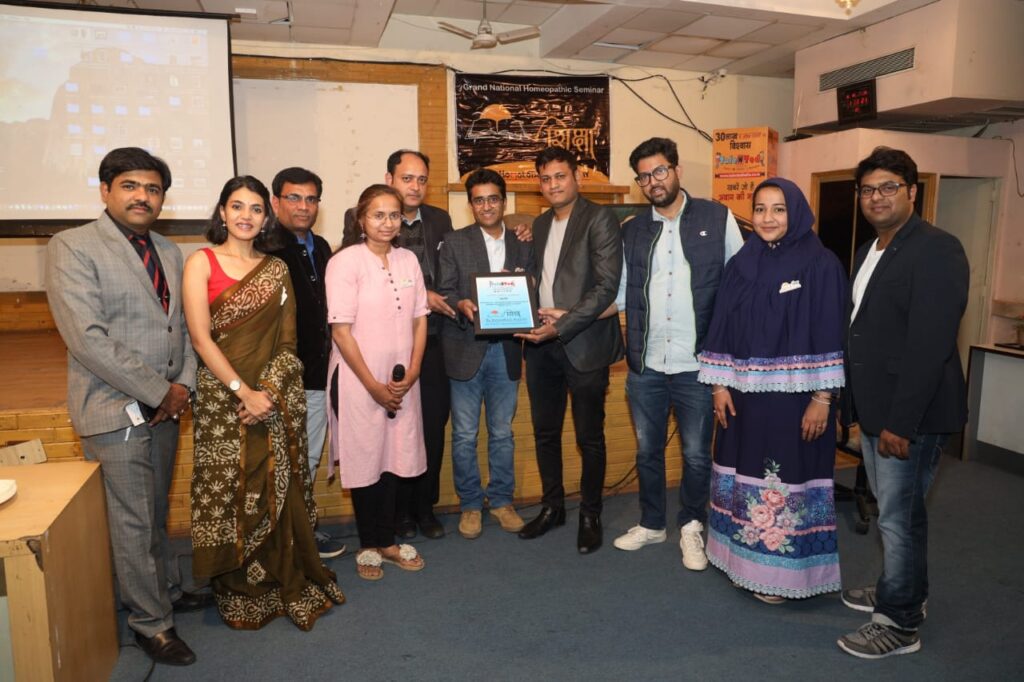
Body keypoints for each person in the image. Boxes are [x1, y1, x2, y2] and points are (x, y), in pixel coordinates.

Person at [45, 147, 206, 666]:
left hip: (166, 406)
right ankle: (150, 625)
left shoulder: (169, 250)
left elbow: (182, 328)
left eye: (153, 189)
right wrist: (160, 392)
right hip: (114, 409)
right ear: (106, 191)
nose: (143, 197)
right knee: (132, 520)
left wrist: (182, 387)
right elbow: (87, 338)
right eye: (131, 186)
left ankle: (162, 593)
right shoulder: (73, 246)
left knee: (154, 511)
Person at [182, 176, 344, 630]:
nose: (246, 216)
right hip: (222, 401)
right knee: (229, 492)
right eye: (237, 206)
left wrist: (268, 392)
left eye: (255, 209)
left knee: (275, 488)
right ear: (222, 212)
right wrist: (244, 392)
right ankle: (236, 584)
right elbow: (200, 338)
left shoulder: (276, 269)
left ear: (265, 217)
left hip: (271, 400)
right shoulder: (200, 262)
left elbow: (287, 341)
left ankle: (277, 574)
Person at [836, 147, 968, 659]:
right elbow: (862, 331)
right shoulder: (870, 249)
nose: (877, 197)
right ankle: (904, 591)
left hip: (909, 417)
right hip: (878, 411)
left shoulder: (937, 249)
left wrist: (901, 423)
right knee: (899, 514)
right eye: (868, 189)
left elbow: (929, 345)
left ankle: (899, 624)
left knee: (897, 518)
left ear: (912, 192)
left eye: (889, 187)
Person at [696, 177, 847, 603]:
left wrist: (822, 399)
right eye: (760, 209)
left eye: (778, 209)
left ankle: (781, 577)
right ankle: (739, 561)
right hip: (741, 397)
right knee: (738, 469)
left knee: (785, 475)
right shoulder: (741, 263)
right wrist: (719, 386)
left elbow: (831, 331)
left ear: (795, 212)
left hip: (795, 399)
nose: (767, 218)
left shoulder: (821, 265)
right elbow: (721, 324)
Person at [611, 137, 744, 572]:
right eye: (644, 176)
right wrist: (568, 314)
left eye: (660, 171)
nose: (653, 181)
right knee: (647, 452)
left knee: (696, 455)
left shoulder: (717, 217)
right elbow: (619, 294)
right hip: (646, 364)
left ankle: (691, 525)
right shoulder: (632, 229)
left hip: (698, 365)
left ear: (677, 170)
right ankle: (652, 523)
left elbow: (740, 286)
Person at [516, 146, 624, 554]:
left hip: (583, 344)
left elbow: (606, 288)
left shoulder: (600, 218)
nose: (553, 185)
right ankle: (553, 507)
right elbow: (537, 278)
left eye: (560, 176)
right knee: (545, 432)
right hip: (540, 345)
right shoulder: (540, 223)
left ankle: (590, 514)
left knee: (588, 436)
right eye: (545, 179)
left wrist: (561, 325)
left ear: (576, 177)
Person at [343, 150, 451, 540]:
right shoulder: (360, 223)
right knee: (386, 434)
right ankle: (398, 516)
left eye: (421, 179)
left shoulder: (440, 219)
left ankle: (425, 508)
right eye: (407, 178)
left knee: (429, 428)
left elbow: (453, 268)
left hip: (429, 342)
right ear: (389, 179)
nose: (415, 186)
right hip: (377, 349)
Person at [327, 184, 429, 580]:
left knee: (394, 456)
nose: (387, 223)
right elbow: (341, 332)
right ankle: (369, 544)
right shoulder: (345, 262)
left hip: (402, 379)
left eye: (393, 215)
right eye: (377, 215)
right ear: (361, 219)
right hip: (358, 378)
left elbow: (420, 320)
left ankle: (386, 541)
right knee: (365, 455)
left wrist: (414, 370)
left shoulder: (408, 260)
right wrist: (372, 386)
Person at [436, 168, 534, 539]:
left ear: (504, 202)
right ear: (470, 205)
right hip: (464, 348)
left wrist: (523, 288)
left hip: (506, 351)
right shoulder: (454, 242)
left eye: (493, 198)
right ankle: (471, 505)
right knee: (464, 434)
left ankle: (502, 501)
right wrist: (458, 303)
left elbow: (535, 286)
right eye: (479, 200)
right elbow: (444, 290)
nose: (487, 206)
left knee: (502, 432)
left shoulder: (524, 242)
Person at [268, 166, 346, 559]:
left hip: (317, 374)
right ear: (275, 202)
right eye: (294, 198)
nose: (303, 206)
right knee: (277, 463)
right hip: (276, 381)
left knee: (308, 458)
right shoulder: (265, 248)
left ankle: (303, 534)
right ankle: (281, 541)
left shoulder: (323, 247)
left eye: (311, 199)